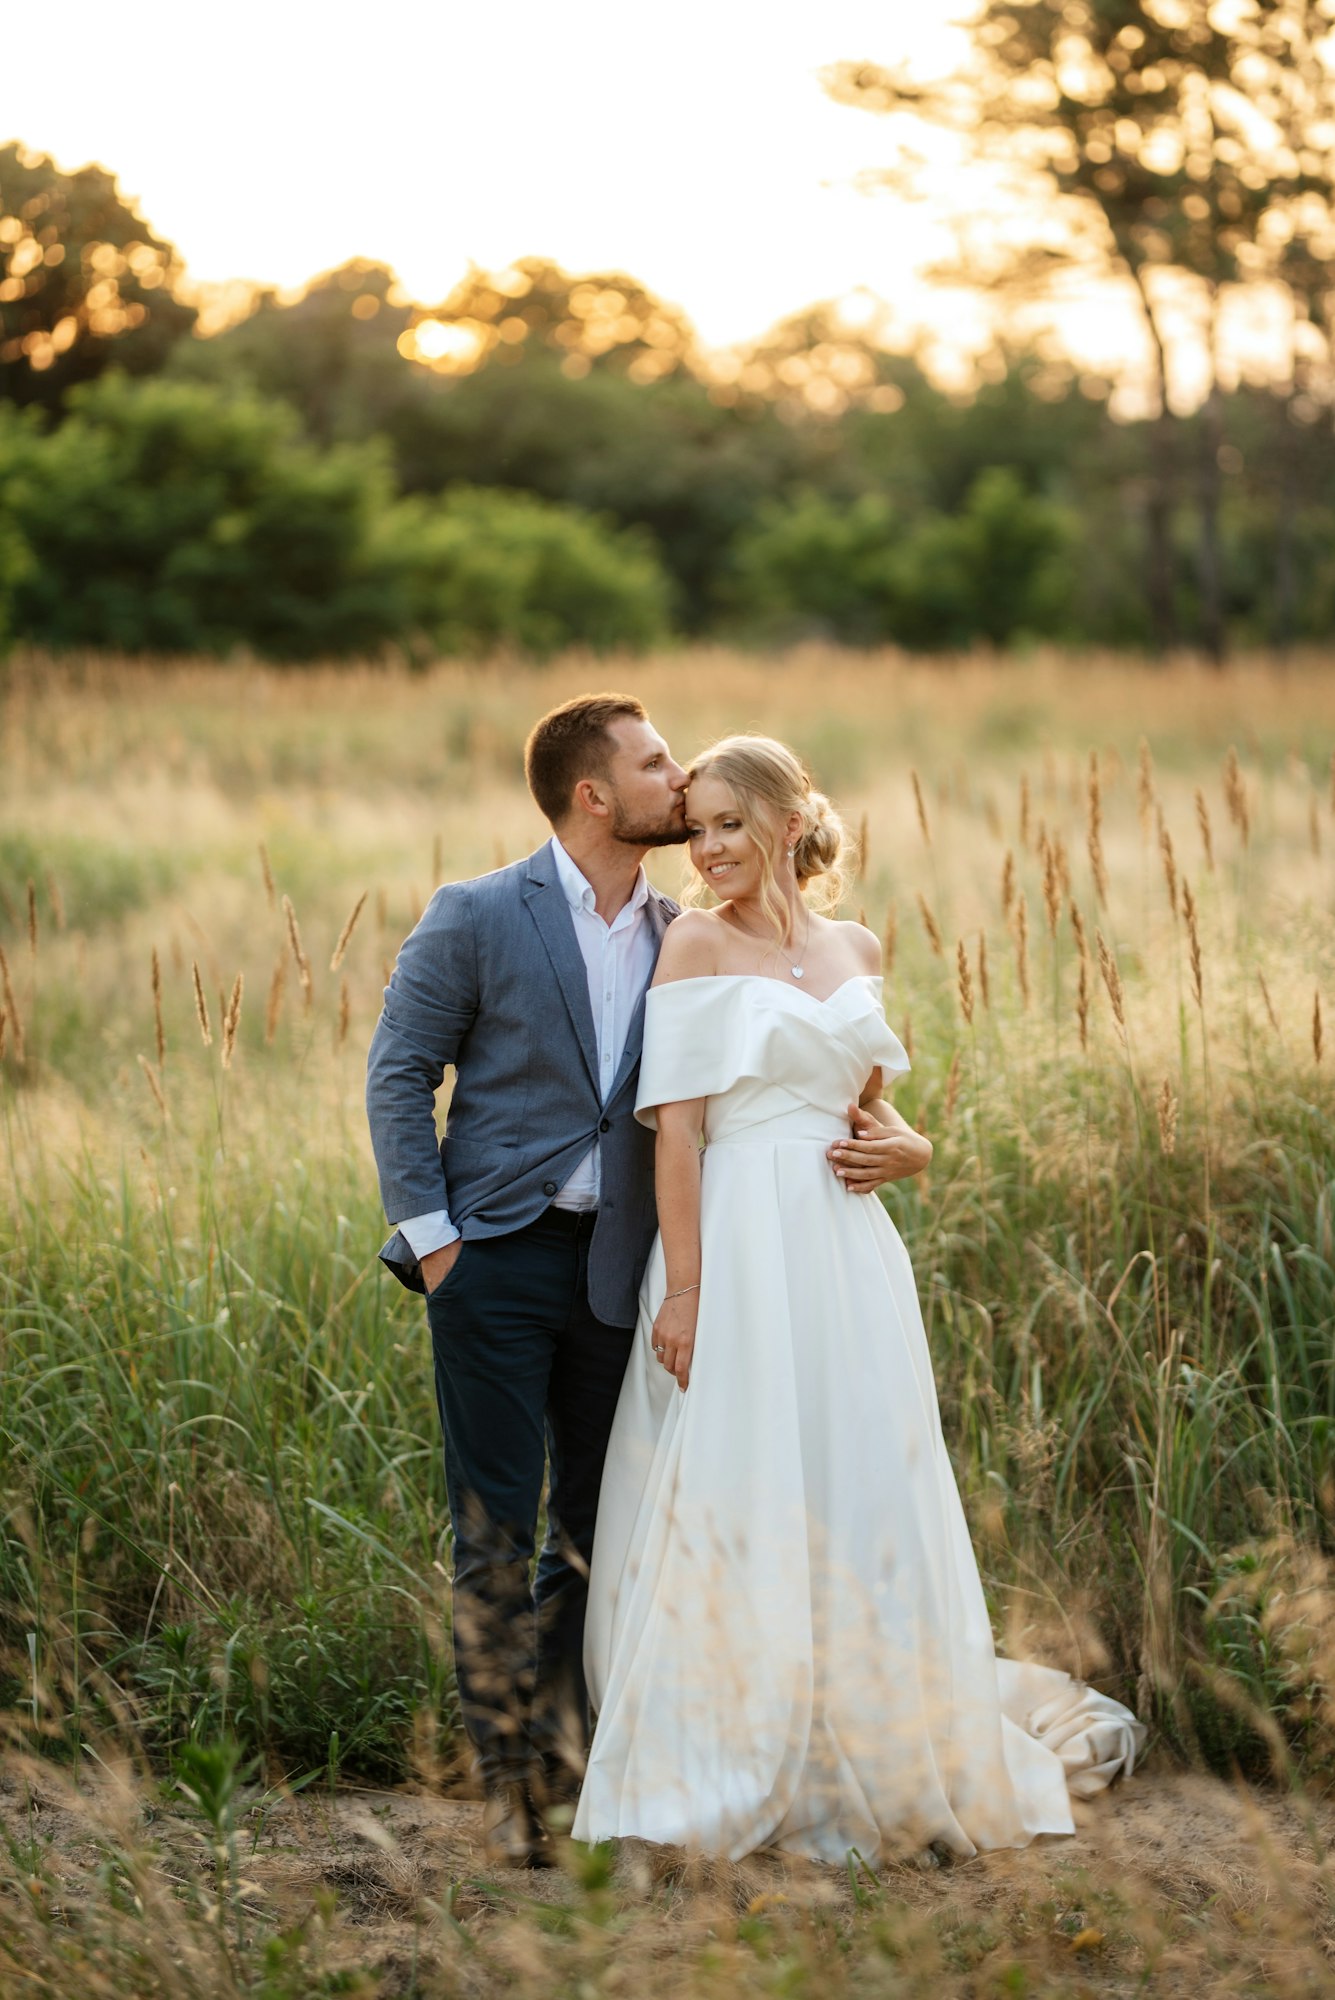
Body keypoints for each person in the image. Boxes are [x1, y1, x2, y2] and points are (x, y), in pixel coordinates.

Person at [365, 697, 919, 1869]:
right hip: (496, 1258)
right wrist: (436, 1240)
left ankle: (576, 1761)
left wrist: (906, 1139)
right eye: (658, 762)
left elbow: (788, 1084)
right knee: (494, 1532)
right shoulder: (475, 912)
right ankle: (510, 1789)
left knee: (596, 1522)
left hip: (622, 1268)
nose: (680, 783)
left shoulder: (682, 928)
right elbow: (399, 1073)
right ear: (593, 794)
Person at [573, 734, 1145, 1864]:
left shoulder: (857, 946)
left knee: (859, 1476)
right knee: (739, 1476)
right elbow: (676, 1136)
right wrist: (683, 1290)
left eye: (730, 822)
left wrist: (917, 1148)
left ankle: (875, 1741)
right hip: (736, 1242)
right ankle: (731, 1744)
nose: (709, 847)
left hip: (846, 1256)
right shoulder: (691, 942)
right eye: (698, 828)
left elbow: (870, 1114)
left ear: (789, 822)